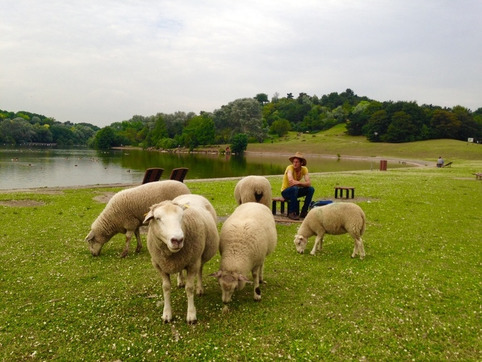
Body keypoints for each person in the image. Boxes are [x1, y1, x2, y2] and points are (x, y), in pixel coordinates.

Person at [281, 152, 315, 220]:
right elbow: (291, 181)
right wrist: (301, 183)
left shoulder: (304, 169)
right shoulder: (289, 168)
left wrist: (298, 182)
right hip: (286, 191)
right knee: (294, 188)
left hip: (295, 190)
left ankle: (304, 211)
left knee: (311, 189)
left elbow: (308, 183)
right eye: (293, 162)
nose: (294, 164)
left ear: (301, 163)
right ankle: (292, 212)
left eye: (297, 162)